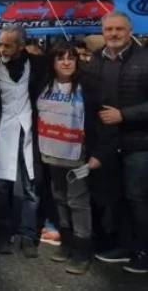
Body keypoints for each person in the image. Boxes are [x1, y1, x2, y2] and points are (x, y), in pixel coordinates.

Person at [35, 41, 116, 275]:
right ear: (53, 62)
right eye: (61, 58)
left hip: (78, 156)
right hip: (50, 153)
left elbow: (106, 121)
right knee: (59, 198)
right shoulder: (43, 84)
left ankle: (82, 251)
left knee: (78, 203)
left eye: (71, 57)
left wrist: (99, 154)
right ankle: (67, 243)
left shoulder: (90, 86)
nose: (67, 62)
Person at [0, 25, 47, 258]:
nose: (3, 49)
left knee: (31, 184)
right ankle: (3, 232)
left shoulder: (38, 65)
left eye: (8, 45)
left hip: (29, 129)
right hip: (2, 130)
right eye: (1, 43)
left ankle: (28, 235)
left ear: (20, 45)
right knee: (0, 187)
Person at [87, 12, 148, 274]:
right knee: (118, 196)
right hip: (109, 143)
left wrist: (124, 114)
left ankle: (144, 252)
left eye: (119, 29)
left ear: (130, 30)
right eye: (108, 29)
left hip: (139, 143)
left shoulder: (145, 58)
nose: (113, 34)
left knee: (138, 199)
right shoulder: (95, 59)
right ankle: (126, 246)